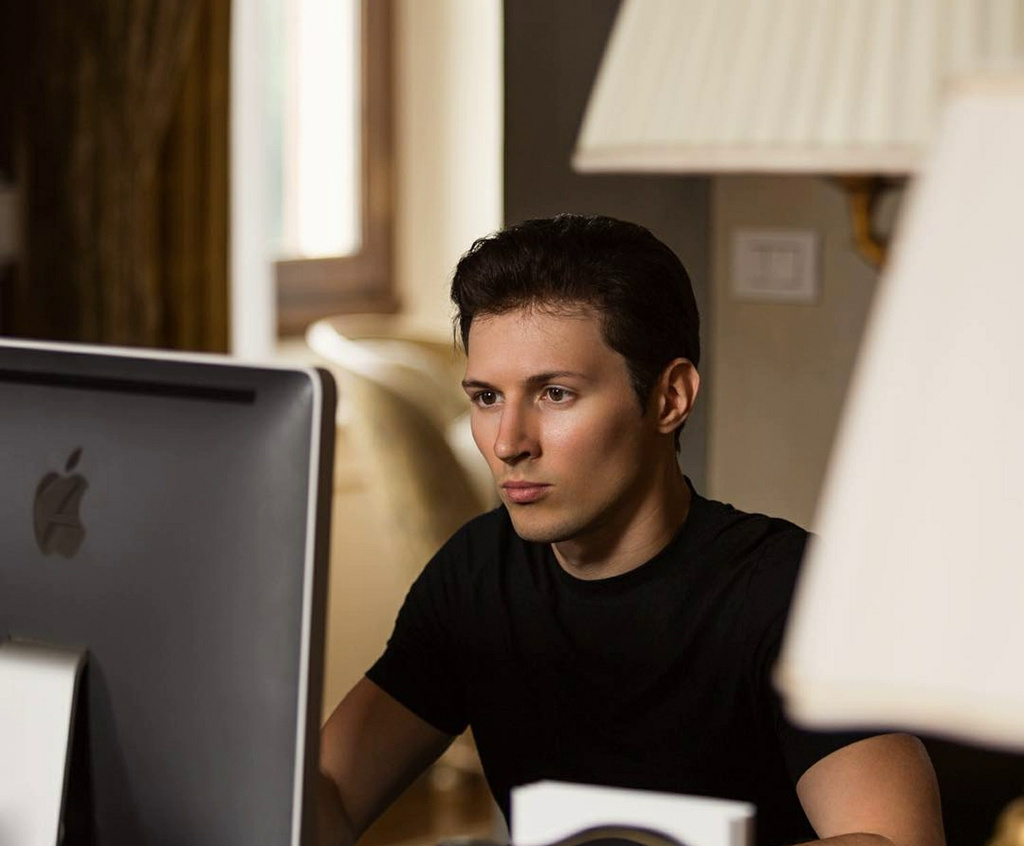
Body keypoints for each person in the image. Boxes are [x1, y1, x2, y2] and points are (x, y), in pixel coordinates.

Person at [318, 214, 945, 846]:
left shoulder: (790, 590)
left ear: (670, 398)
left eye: (555, 394)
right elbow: (330, 795)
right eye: (486, 398)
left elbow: (895, 841)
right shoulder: (476, 574)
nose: (508, 443)